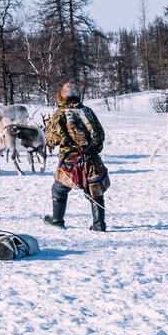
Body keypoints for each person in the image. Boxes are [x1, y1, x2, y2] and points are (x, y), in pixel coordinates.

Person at [43, 82, 109, 231]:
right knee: (93, 188)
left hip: (71, 158)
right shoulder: (88, 111)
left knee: (59, 188)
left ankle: (57, 220)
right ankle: (99, 224)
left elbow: (52, 138)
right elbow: (100, 134)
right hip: (91, 157)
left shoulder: (61, 113)